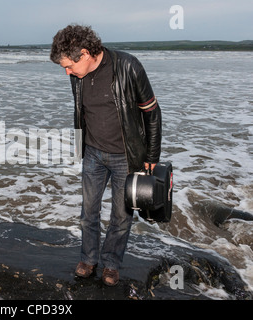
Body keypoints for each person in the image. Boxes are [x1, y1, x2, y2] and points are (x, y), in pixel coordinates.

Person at [50, 24, 162, 286]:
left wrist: (152, 155)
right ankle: (88, 259)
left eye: (69, 66)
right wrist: (80, 147)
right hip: (92, 154)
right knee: (88, 212)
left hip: (126, 156)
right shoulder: (77, 74)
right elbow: (83, 111)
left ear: (86, 53)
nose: (67, 72)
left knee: (121, 217)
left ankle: (111, 264)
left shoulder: (129, 67)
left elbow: (152, 112)